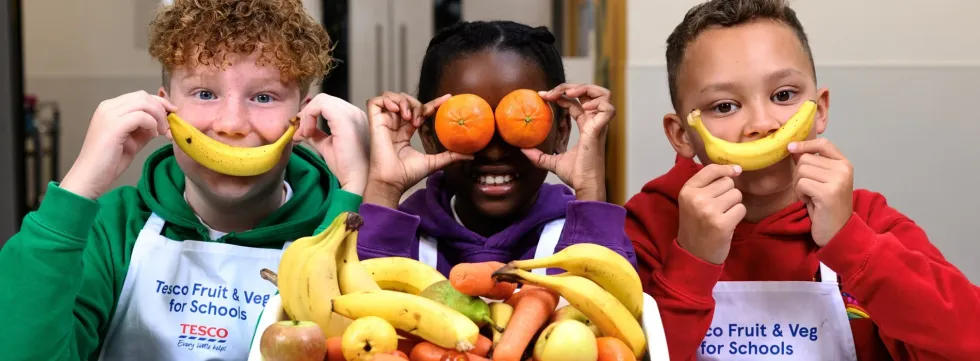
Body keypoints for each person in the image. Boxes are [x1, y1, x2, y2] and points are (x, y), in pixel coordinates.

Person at [0, 0, 370, 360]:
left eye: (263, 97)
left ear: (303, 117)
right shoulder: (112, 229)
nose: (231, 125)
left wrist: (354, 191)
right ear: (164, 108)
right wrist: (77, 188)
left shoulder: (343, 227)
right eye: (205, 93)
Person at [624, 0, 980, 360]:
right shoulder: (649, 227)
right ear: (681, 135)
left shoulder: (868, 220)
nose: (762, 124)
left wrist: (852, 243)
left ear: (820, 110)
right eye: (724, 106)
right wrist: (692, 262)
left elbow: (968, 344)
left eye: (783, 95)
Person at [355, 20, 637, 276]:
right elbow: (360, 303)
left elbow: (610, 307)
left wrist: (590, 190)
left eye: (517, 123)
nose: (494, 151)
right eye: (471, 124)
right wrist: (384, 188)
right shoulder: (400, 232)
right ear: (429, 136)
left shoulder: (585, 229)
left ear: (561, 131)